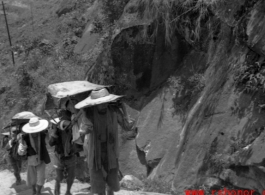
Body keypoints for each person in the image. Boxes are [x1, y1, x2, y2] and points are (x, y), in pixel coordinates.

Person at [74, 88, 135, 195]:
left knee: (112, 183)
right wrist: (85, 129)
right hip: (95, 152)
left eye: (105, 102)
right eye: (100, 103)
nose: (103, 105)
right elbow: (84, 130)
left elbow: (127, 127)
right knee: (98, 184)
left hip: (111, 151)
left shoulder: (114, 111)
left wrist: (124, 111)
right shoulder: (89, 114)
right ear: (95, 104)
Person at [18, 117, 51, 195]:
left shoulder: (43, 134)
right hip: (31, 159)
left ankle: (38, 192)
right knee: (32, 178)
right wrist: (22, 144)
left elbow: (49, 144)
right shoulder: (25, 137)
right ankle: (33, 191)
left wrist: (48, 134)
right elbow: (21, 153)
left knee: (41, 177)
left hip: (42, 158)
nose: (35, 132)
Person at [49, 113, 76, 195]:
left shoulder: (74, 131)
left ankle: (68, 191)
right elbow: (50, 143)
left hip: (71, 156)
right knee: (59, 177)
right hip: (59, 157)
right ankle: (57, 191)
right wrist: (54, 133)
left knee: (71, 176)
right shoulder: (57, 132)